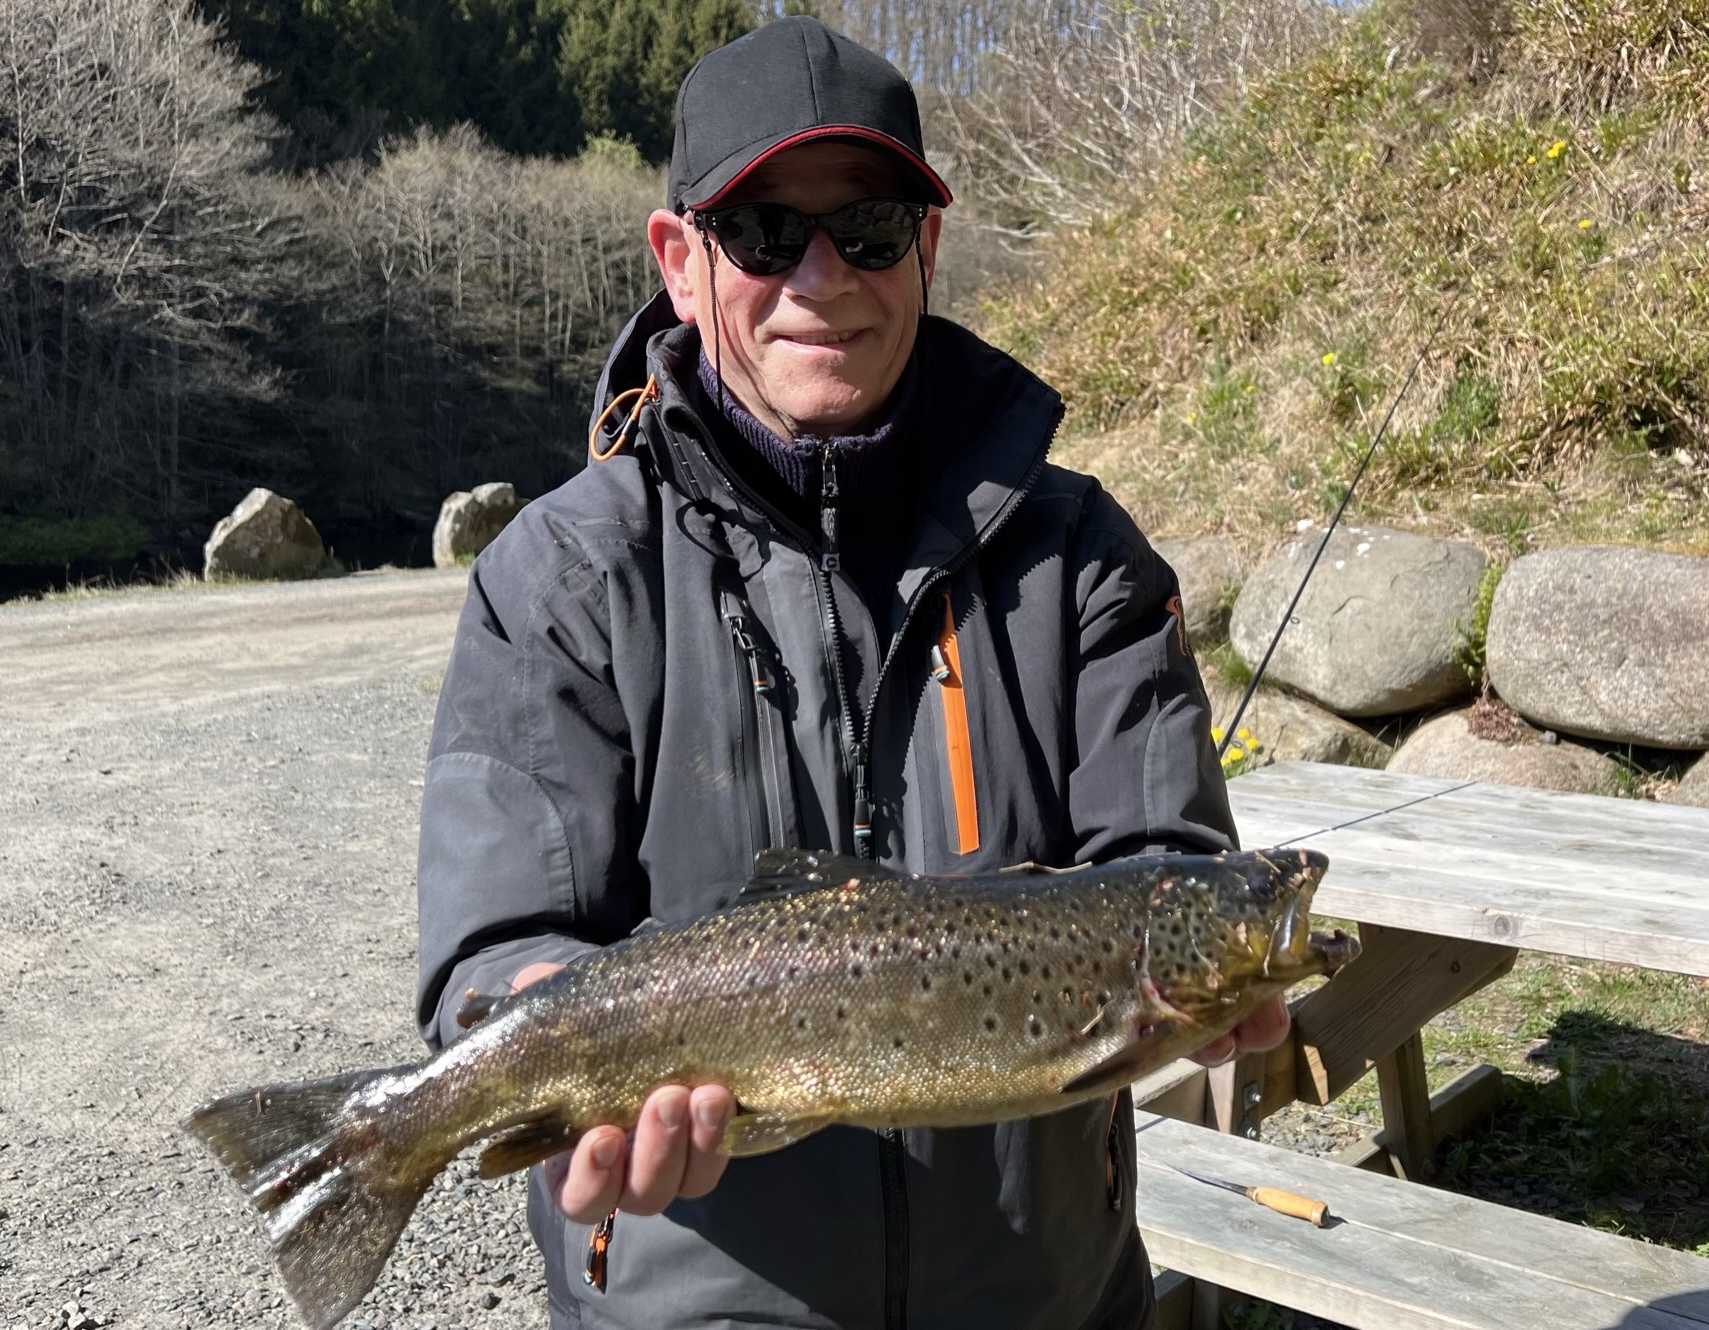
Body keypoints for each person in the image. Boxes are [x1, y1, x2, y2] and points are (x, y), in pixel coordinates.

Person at [415, 15, 1287, 1328]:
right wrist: (547, 1028)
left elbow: (1161, 850)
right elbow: (494, 944)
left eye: (868, 228)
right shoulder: (556, 581)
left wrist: (1205, 984)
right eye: (765, 232)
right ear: (681, 259)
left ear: (926, 247)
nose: (820, 276)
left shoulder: (1084, 556)